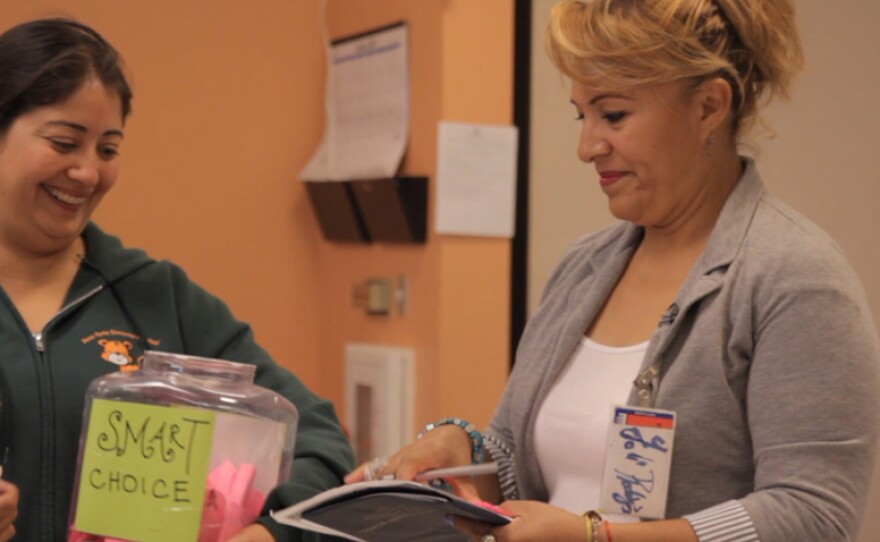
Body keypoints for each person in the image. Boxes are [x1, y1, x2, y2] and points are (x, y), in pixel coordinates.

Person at [346, 0, 880, 541]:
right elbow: (516, 465)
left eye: (615, 115)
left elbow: (813, 517)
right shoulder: (585, 267)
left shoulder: (796, 280)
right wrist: (461, 452)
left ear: (709, 107)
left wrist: (595, 538)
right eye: (583, 116)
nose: (587, 147)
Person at [0, 17, 354, 542]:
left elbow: (321, 442)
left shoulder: (156, 297)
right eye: (64, 141)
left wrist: (272, 532)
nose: (88, 172)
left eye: (108, 149)